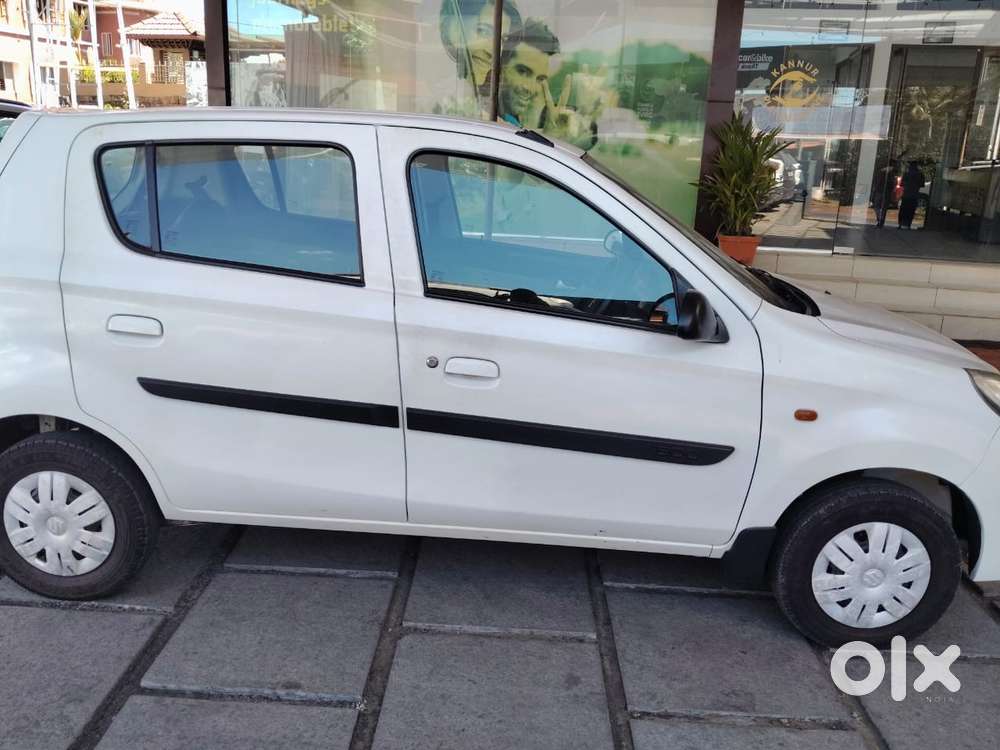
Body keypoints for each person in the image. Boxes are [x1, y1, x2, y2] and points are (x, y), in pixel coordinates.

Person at [498, 18, 598, 150]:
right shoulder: (486, 121)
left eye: (539, 79)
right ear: (501, 68)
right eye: (522, 72)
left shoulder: (512, 123)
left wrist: (550, 135)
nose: (530, 88)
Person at [436, 0, 523, 120]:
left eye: (502, 40)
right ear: (453, 30)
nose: (493, 52)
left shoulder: (498, 116)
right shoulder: (439, 101)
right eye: (483, 31)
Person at [898, 161, 925, 230]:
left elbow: (901, 184)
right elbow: (922, 185)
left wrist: (907, 184)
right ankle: (908, 224)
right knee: (911, 211)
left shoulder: (906, 174)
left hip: (906, 195)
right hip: (914, 195)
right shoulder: (920, 175)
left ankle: (900, 224)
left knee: (903, 210)